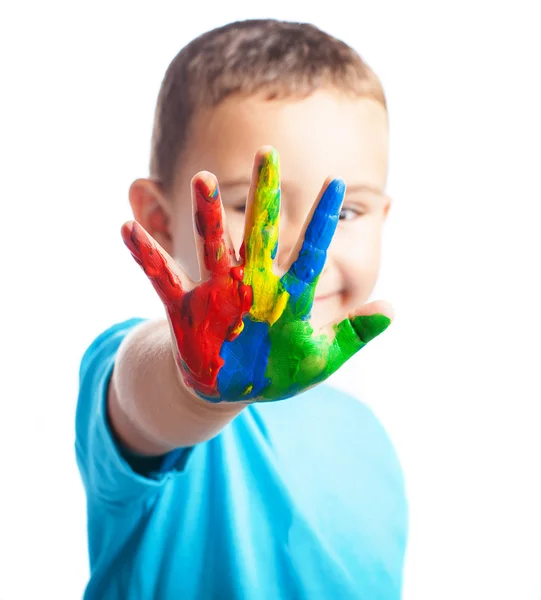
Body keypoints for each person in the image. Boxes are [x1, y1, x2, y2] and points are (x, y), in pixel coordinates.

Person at [76, 18, 408, 599]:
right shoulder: (147, 367)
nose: (302, 245)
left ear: (384, 218)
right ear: (160, 220)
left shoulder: (371, 439)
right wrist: (198, 382)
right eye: (248, 203)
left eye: (345, 213)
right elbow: (144, 400)